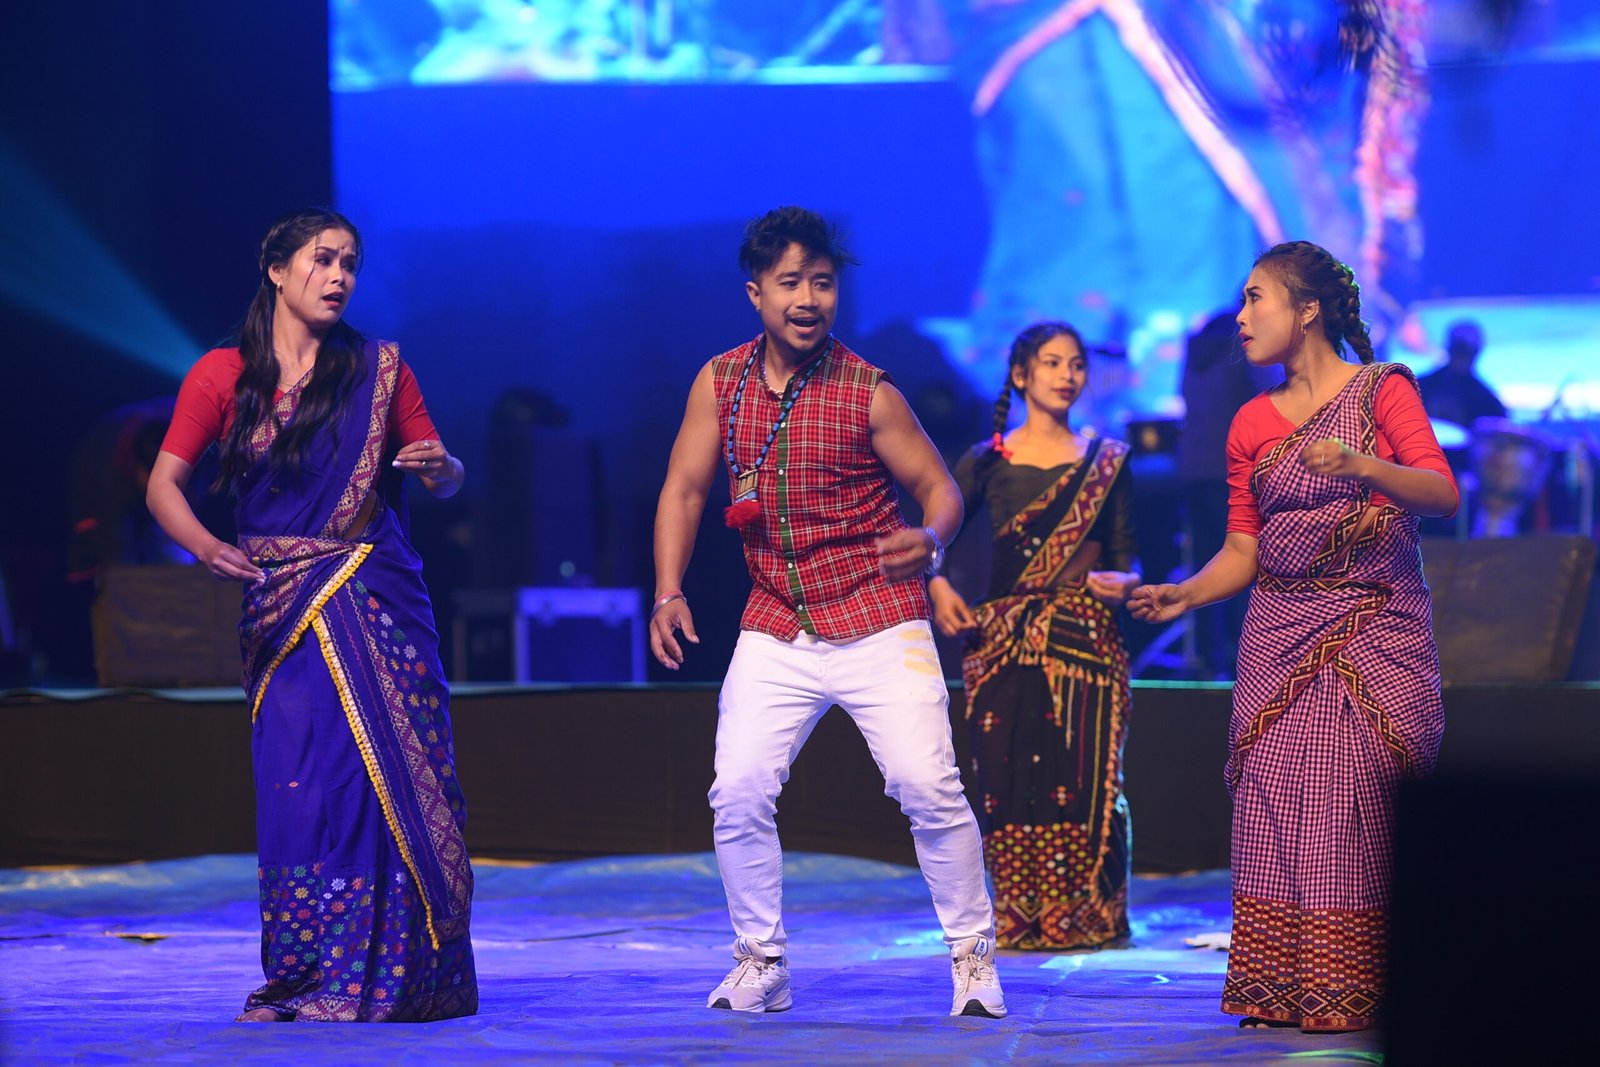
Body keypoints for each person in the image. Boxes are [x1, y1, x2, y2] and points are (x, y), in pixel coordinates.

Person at [650, 206, 1005, 1018]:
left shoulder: (868, 390)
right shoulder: (720, 382)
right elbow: (686, 488)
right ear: (756, 293)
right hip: (776, 620)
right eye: (790, 283)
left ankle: (974, 956)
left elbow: (939, 488)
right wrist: (669, 588)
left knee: (926, 784)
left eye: (822, 282)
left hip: (879, 613)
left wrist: (931, 540)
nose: (808, 299)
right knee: (738, 789)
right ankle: (762, 960)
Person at [145, 207, 477, 1022]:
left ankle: (397, 975)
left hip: (376, 596)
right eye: (323, 259)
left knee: (379, 782)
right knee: (299, 787)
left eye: (350, 263)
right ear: (276, 269)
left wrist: (442, 468)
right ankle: (303, 971)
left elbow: (446, 474)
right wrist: (205, 546)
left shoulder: (379, 368)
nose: (339, 277)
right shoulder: (222, 374)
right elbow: (163, 484)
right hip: (281, 610)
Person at [1129, 240, 1457, 1033]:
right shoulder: (1249, 421)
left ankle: (1359, 984)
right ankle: (1281, 986)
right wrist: (1184, 592)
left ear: (1307, 309)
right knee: (1273, 800)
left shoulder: (1381, 390)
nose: (1241, 317)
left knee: (1350, 800)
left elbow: (1440, 491)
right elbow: (1243, 549)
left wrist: (1362, 465)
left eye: (1256, 298)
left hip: (1373, 629)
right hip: (1278, 639)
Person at [928, 321, 1140, 950]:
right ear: (1020, 375)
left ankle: (1091, 917)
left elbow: (1129, 557)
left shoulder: (1107, 461)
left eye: (1076, 364)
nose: (1066, 375)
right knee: (1006, 778)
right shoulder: (986, 461)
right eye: (1051, 363)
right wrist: (938, 587)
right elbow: (934, 541)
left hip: (1084, 640)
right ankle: (1019, 915)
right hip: (1002, 646)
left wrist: (1126, 581)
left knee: (1090, 779)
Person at [1176, 309, 1279, 679]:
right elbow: (1269, 402)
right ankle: (1244, 659)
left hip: (1194, 469)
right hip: (1233, 472)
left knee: (1206, 563)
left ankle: (1208, 657)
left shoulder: (1197, 350)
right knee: (1243, 562)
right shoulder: (1243, 348)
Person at [1416, 319, 1506, 432]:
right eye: (1459, 352)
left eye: (1466, 354)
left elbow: (1499, 431)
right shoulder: (1420, 386)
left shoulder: (1487, 401)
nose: (1462, 360)